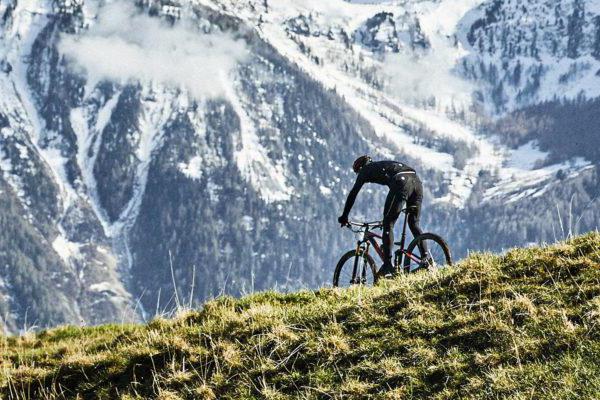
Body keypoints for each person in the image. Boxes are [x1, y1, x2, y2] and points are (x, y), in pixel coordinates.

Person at [337, 155, 427, 278]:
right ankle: (425, 259)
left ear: (360, 168)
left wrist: (344, 216)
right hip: (417, 182)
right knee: (414, 223)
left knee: (388, 223)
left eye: (357, 172)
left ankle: (387, 265)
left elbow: (353, 193)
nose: (358, 175)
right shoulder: (383, 165)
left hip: (401, 181)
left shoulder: (365, 170)